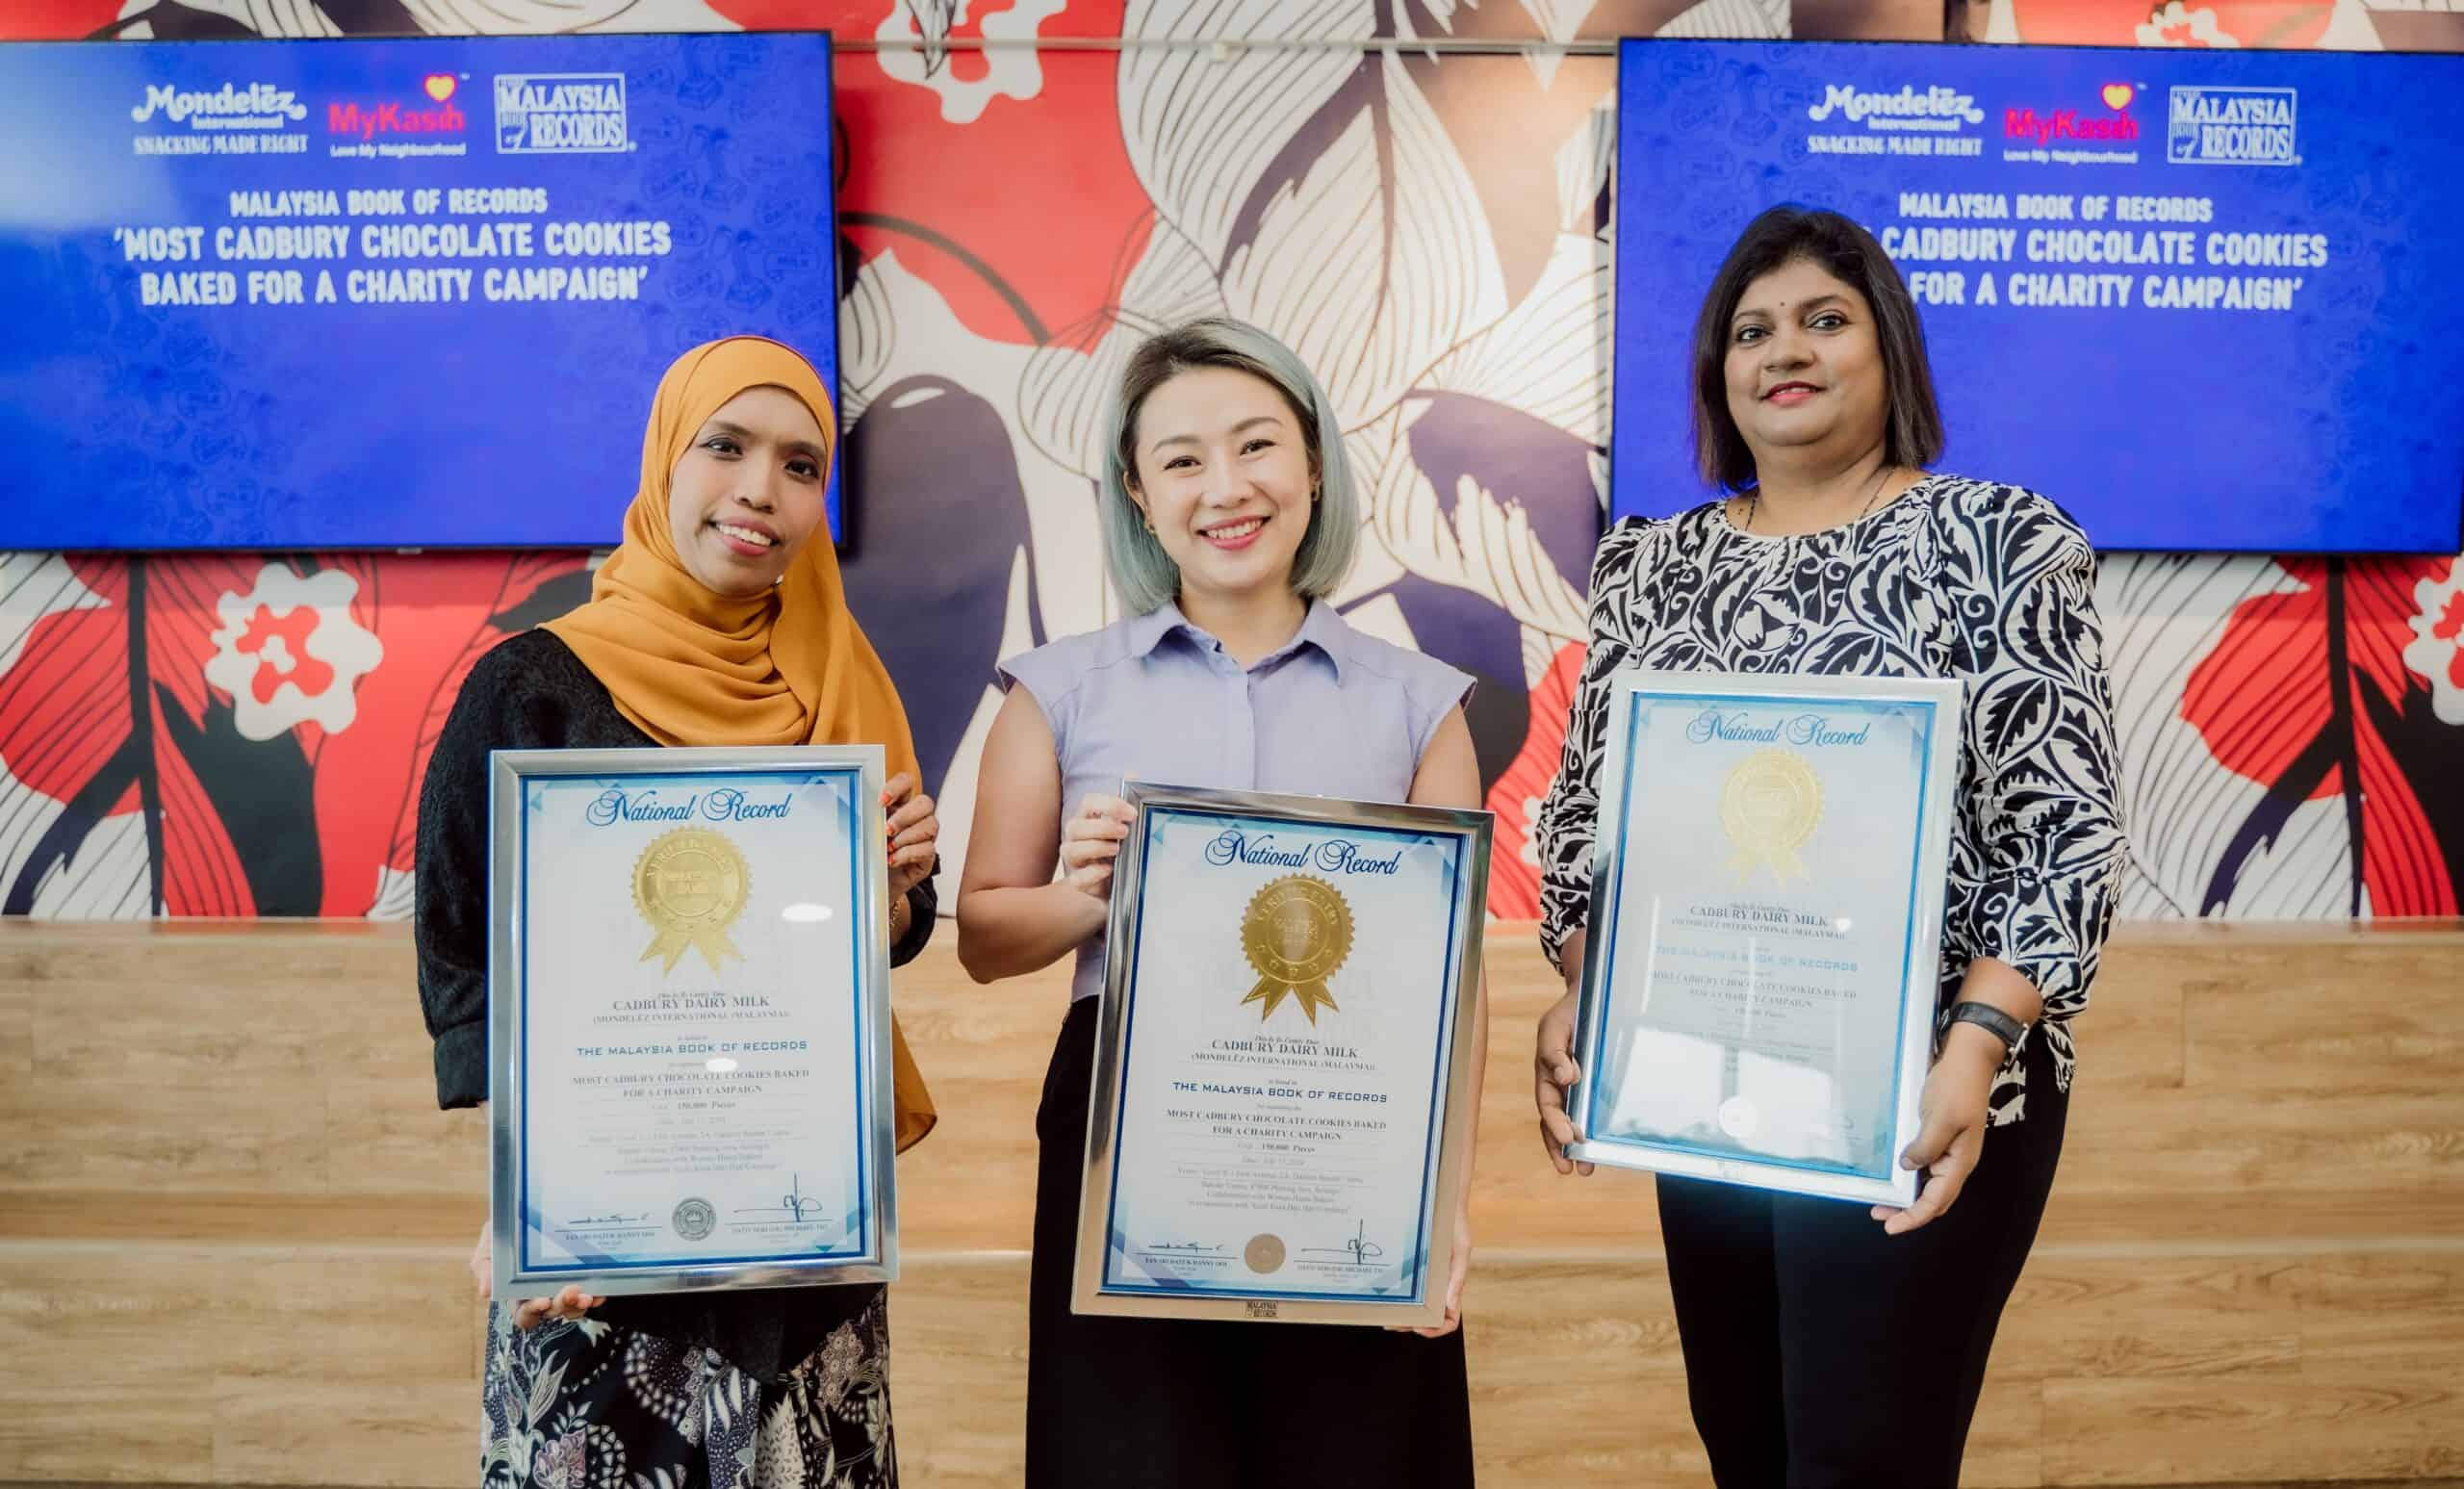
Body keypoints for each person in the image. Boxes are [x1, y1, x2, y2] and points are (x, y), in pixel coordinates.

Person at [1530, 206, 2127, 1488]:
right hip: (1710, 1075)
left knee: (1864, 1455)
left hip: (1922, 1085)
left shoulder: (2000, 538)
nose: (1782, 350)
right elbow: (1586, 819)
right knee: (1746, 1438)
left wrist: (1975, 1049)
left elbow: (2065, 833)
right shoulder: (1650, 565)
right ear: (1716, 372)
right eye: (1751, 329)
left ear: (1887, 348)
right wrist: (1589, 986)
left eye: (1823, 318)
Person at [956, 318, 1483, 1488]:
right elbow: (987, 936)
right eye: (1182, 460)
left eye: (1256, 446)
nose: (1225, 486)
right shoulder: (1058, 690)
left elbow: (1455, 982)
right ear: (1139, 496)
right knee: (1135, 1456)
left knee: (1356, 1454)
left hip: (1358, 1117)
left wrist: (1443, 1199)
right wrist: (1088, 897)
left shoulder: (1420, 701)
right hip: (1126, 1120)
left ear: (1310, 469)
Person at [415, 336, 941, 1489]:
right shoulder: (533, 682)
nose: (761, 489)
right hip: (598, 1259)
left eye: (802, 465)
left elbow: (882, 942)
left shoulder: (846, 681)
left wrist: (896, 891)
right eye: (726, 446)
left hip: (804, 1248)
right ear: (665, 459)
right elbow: (463, 947)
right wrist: (528, 1181)